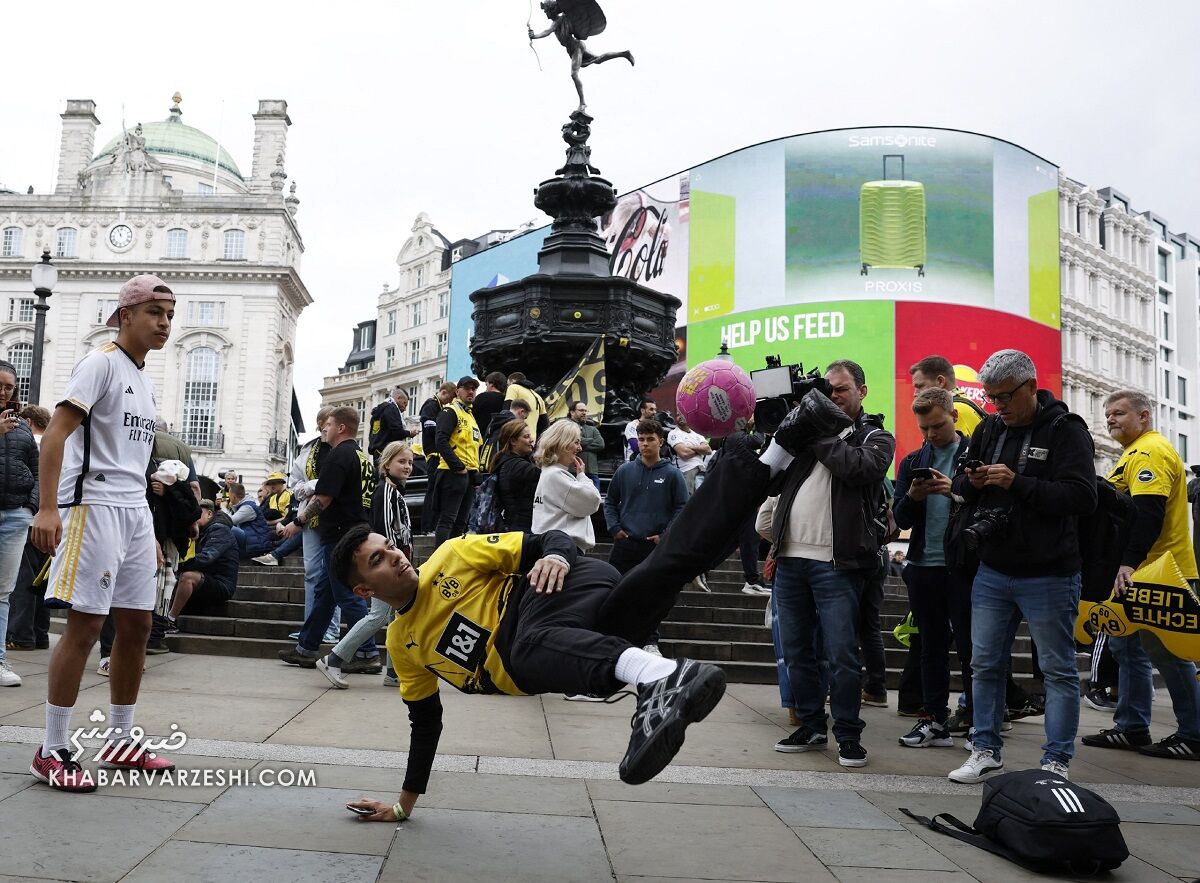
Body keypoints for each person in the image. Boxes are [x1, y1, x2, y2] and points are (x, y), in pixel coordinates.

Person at [338, 406, 851, 823]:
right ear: (364, 589)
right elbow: (425, 723)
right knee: (670, 565)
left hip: (557, 590)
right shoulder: (404, 644)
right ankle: (783, 444)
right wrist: (403, 808)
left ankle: (662, 677)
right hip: (582, 631)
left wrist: (557, 554)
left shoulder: (451, 556)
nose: (396, 555)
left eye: (389, 545)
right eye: (379, 560)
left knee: (525, 650)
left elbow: (546, 538)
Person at [29, 274, 180, 791]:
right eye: (155, 313)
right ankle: (52, 747)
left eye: (169, 316)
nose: (164, 324)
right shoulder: (101, 363)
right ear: (125, 315)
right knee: (86, 627)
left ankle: (120, 738)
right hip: (92, 507)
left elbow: (135, 460)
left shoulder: (144, 377)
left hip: (133, 513)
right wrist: (48, 508)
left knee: (136, 626)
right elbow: (54, 435)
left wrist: (150, 530)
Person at [947, 349, 1097, 785]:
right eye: (992, 398)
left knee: (1058, 670)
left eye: (1007, 396)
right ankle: (985, 750)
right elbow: (958, 486)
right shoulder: (990, 427)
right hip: (992, 568)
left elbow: (1081, 498)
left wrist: (1018, 482)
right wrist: (970, 484)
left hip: (1050, 572)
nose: (999, 406)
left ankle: (1055, 761)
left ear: (1032, 386)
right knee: (985, 664)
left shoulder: (1064, 430)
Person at [759, 359, 894, 769]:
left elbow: (859, 469)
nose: (833, 395)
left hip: (838, 564)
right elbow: (768, 478)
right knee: (798, 651)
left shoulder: (876, 436)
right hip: (790, 557)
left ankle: (849, 734)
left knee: (841, 653)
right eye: (828, 390)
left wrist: (819, 428)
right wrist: (787, 432)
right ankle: (812, 724)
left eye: (841, 389)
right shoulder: (805, 436)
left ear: (861, 392)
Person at [1081, 390, 1200, 760]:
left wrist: (1129, 562)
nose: (1110, 419)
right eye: (1107, 414)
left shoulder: (1149, 451)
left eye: (1119, 413)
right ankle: (1132, 726)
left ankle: (1194, 734)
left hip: (1160, 570)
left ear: (1144, 416)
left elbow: (1150, 511)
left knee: (1165, 651)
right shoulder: (1133, 453)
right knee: (1127, 645)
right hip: (1140, 570)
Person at [892, 387, 973, 749]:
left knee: (973, 648)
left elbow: (990, 503)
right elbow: (898, 517)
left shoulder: (976, 454)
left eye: (937, 426)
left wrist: (953, 490)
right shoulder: (912, 463)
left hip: (964, 565)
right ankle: (934, 719)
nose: (931, 435)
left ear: (953, 416)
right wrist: (913, 496)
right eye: (924, 428)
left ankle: (977, 722)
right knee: (930, 645)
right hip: (923, 563)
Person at [277, 406, 380, 671]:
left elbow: (323, 498)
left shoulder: (338, 456)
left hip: (339, 535)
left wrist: (297, 522)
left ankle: (367, 652)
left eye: (329, 425)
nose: (324, 429)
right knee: (324, 592)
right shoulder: (362, 456)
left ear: (341, 427)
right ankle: (307, 647)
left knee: (346, 594)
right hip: (356, 528)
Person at [317, 440, 414, 689]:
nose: (407, 466)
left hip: (393, 568)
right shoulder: (387, 491)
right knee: (379, 616)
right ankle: (334, 659)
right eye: (401, 461)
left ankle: (393, 672)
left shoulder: (394, 491)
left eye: (410, 462)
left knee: (394, 618)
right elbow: (382, 534)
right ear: (386, 463)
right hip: (386, 571)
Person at [604, 419, 687, 655]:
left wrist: (665, 535)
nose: (645, 444)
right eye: (641, 439)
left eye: (650, 439)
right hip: (625, 543)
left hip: (653, 546)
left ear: (660, 441)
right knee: (614, 591)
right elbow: (610, 501)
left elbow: (682, 508)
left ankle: (650, 641)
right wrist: (614, 528)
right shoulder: (624, 470)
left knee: (651, 597)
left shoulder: (672, 474)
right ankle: (612, 639)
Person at [0, 361, 38, 686]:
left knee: (3, 593)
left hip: (15, 514)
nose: (3, 392)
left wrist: (31, 507)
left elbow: (37, 469)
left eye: (9, 387)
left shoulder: (23, 427)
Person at [532, 419, 602, 552]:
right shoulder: (556, 475)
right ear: (562, 443)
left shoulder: (549, 472)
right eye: (576, 442)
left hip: (557, 545)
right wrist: (582, 476)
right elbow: (593, 501)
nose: (580, 448)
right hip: (564, 548)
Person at [166, 500, 238, 621]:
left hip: (221, 584)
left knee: (187, 576)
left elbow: (207, 557)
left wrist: (180, 565)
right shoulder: (202, 531)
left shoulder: (220, 530)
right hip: (207, 578)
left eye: (197, 513)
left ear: (209, 514)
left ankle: (170, 619)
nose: (192, 517)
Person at [433, 377, 482, 546]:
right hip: (452, 473)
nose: (471, 392)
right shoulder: (450, 411)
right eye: (467, 388)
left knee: (461, 523)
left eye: (474, 389)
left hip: (467, 475)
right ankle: (439, 560)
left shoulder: (470, 416)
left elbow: (474, 448)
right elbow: (440, 440)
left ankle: (452, 558)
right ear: (457, 391)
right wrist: (458, 467)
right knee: (448, 519)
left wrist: (475, 474)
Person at [909, 355, 987, 441]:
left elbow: (952, 453)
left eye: (920, 386)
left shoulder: (953, 409)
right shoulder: (962, 403)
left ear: (940, 381)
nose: (915, 393)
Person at [418, 382, 458, 534]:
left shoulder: (439, 407)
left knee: (437, 491)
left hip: (437, 455)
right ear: (443, 392)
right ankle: (427, 527)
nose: (450, 402)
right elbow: (429, 427)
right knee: (433, 491)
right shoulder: (431, 405)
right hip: (433, 454)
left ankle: (431, 526)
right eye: (449, 398)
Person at [492, 420, 540, 533]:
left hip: (517, 524)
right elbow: (544, 477)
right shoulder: (516, 465)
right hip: (521, 528)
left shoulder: (506, 461)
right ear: (513, 441)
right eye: (526, 437)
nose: (531, 440)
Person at [667, 412, 712, 496]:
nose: (679, 417)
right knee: (689, 502)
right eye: (677, 415)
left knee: (704, 500)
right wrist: (700, 449)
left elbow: (708, 450)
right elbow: (684, 453)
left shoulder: (697, 433)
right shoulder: (673, 433)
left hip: (702, 469)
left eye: (682, 414)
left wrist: (690, 446)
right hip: (686, 471)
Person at [368, 386, 418, 462]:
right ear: (398, 397)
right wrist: (409, 433)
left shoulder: (378, 410)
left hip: (377, 452)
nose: (404, 409)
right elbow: (396, 432)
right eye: (404, 403)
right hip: (388, 452)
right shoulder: (392, 408)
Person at [565, 400, 605, 488]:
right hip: (571, 470)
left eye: (585, 411)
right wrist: (590, 440)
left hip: (591, 472)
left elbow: (600, 444)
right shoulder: (566, 427)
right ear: (572, 412)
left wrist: (580, 443)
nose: (584, 413)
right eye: (581, 410)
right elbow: (568, 441)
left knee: (594, 499)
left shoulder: (593, 429)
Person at [227, 482, 272, 558]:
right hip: (251, 543)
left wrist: (223, 507)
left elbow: (229, 521)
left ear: (234, 496)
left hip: (257, 546)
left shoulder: (248, 508)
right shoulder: (244, 506)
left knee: (229, 528)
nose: (229, 498)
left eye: (229, 495)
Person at [505, 372, 548, 440]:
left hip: (517, 437)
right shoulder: (538, 397)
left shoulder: (513, 387)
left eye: (508, 384)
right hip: (532, 441)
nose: (507, 387)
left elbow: (506, 411)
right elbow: (544, 423)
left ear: (512, 381)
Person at [472, 372, 507, 443]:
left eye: (486, 385)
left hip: (481, 439)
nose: (486, 388)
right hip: (499, 441)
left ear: (492, 385)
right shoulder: (506, 400)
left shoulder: (482, 397)